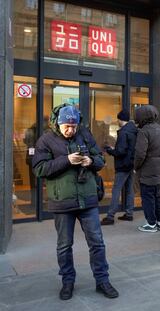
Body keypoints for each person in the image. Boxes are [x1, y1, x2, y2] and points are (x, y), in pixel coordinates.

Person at [32, 104, 118, 300]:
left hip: (88, 200)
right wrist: (67, 160)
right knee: (64, 245)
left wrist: (91, 161)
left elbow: (100, 159)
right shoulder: (46, 140)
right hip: (62, 202)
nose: (71, 130)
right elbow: (39, 169)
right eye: (67, 126)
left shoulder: (85, 135)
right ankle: (67, 282)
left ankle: (102, 281)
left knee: (97, 243)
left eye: (74, 126)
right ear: (58, 123)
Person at [134, 105, 160, 233]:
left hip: (147, 170)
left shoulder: (144, 131)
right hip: (158, 169)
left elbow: (140, 154)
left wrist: (135, 166)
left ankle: (151, 223)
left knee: (147, 197)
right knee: (156, 196)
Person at [101, 109, 138, 225]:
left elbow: (121, 151)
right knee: (129, 189)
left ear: (121, 120)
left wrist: (111, 151)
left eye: (118, 119)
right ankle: (129, 213)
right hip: (131, 164)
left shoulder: (123, 132)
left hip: (123, 165)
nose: (117, 121)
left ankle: (110, 216)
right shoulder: (134, 130)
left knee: (116, 189)